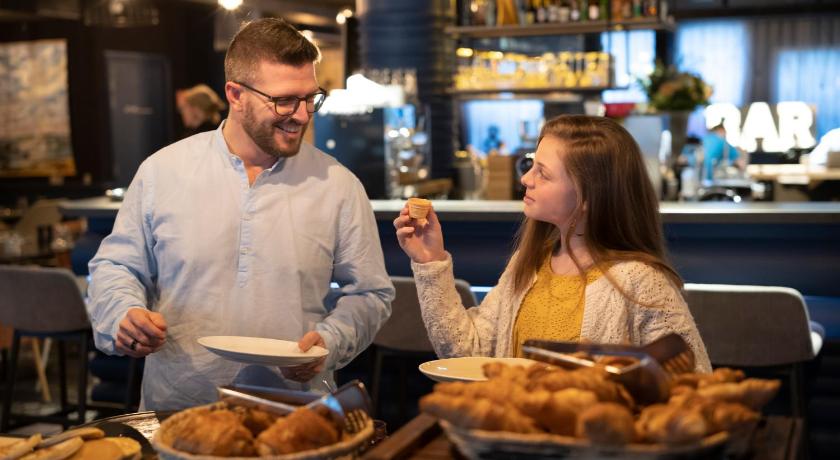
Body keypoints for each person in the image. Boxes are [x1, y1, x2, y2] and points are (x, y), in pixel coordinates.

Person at [87, 18, 394, 410]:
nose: (301, 115)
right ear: (235, 94)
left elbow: (370, 293)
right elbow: (117, 267)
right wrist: (124, 314)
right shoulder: (162, 172)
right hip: (179, 412)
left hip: (293, 417)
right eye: (284, 100)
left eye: (310, 98)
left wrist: (331, 341)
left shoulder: (338, 185)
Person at [394, 115, 711, 372]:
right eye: (531, 165)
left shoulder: (642, 283)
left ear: (588, 196)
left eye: (542, 173)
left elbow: (694, 386)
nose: (525, 179)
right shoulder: (528, 264)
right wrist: (430, 261)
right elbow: (467, 353)